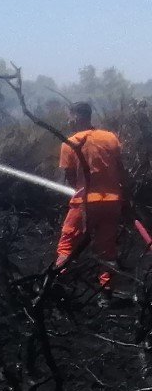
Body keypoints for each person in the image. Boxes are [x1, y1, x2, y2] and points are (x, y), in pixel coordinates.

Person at [55, 101, 127, 292]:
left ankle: (56, 285)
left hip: (84, 204)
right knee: (107, 249)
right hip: (112, 203)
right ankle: (106, 291)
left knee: (67, 243)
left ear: (77, 116)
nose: (68, 121)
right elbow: (121, 170)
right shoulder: (110, 138)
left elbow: (71, 178)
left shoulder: (69, 143)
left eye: (69, 117)